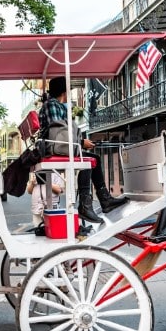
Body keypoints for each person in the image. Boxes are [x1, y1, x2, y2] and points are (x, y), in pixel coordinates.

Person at [39, 76, 127, 224]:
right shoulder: (52, 105)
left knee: (94, 159)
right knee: (86, 160)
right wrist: (80, 142)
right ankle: (87, 206)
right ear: (64, 92)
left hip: (58, 147)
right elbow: (58, 133)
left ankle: (104, 200)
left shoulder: (54, 105)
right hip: (55, 148)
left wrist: (79, 142)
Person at [28, 169, 64, 237]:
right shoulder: (34, 173)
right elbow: (29, 191)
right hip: (37, 209)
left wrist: (46, 181)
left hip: (51, 209)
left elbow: (59, 190)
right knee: (39, 234)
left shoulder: (55, 172)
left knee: (52, 233)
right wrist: (32, 183)